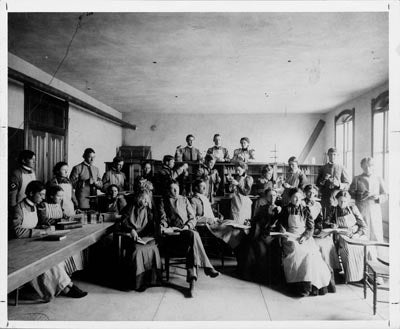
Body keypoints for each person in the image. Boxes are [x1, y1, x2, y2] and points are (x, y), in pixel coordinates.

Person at [10, 180, 87, 301]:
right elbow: (17, 231)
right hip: (16, 247)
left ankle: (67, 284)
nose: (43, 197)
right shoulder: (18, 208)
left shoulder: (35, 207)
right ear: (30, 193)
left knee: (53, 257)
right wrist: (41, 232)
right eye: (40, 194)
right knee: (46, 262)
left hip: (30, 243)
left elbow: (35, 225)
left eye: (44, 194)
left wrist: (43, 228)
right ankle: (66, 287)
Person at [159, 180, 219, 297]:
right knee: (194, 236)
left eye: (177, 188)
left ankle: (192, 282)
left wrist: (187, 226)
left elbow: (192, 218)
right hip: (175, 236)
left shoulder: (184, 199)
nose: (176, 191)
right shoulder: (163, 201)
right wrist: (166, 227)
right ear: (168, 190)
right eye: (172, 189)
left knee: (192, 239)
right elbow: (163, 219)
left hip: (187, 230)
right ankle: (206, 267)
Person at [277, 188, 333, 297]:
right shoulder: (285, 209)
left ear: (302, 197)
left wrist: (305, 236)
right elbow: (281, 223)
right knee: (297, 250)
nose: (296, 199)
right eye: (294, 197)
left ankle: (313, 286)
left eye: (299, 197)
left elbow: (310, 227)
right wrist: (282, 229)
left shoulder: (306, 210)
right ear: (290, 198)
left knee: (312, 254)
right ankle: (299, 285)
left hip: (304, 237)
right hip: (290, 236)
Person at [116, 191, 162, 291]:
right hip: (131, 236)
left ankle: (152, 280)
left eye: (147, 199)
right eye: (144, 199)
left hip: (144, 237)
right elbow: (123, 220)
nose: (146, 201)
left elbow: (151, 225)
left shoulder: (148, 210)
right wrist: (131, 230)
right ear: (139, 199)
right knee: (137, 251)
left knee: (154, 248)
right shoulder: (130, 207)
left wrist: (155, 231)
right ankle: (138, 283)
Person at [236, 188, 283, 284]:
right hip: (262, 233)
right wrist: (250, 222)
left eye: (274, 195)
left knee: (266, 247)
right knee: (249, 244)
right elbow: (256, 221)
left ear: (277, 197)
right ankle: (256, 275)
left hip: (274, 235)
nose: (272, 197)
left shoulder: (280, 208)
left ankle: (270, 277)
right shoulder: (262, 208)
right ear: (266, 197)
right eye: (270, 195)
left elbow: (282, 223)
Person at [38, 184, 85, 275]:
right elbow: (43, 220)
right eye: (58, 196)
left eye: (62, 196)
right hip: (49, 233)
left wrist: (72, 218)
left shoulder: (59, 205)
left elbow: (64, 216)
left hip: (61, 230)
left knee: (74, 246)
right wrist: (59, 221)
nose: (61, 198)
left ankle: (71, 271)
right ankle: (63, 274)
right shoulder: (43, 205)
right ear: (51, 196)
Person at [324, 191, 368, 283]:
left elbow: (363, 226)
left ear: (348, 201)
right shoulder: (334, 209)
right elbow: (326, 222)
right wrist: (332, 225)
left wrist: (356, 234)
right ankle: (351, 277)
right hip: (341, 235)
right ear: (337, 200)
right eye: (340, 201)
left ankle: (363, 276)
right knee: (347, 249)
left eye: (344, 201)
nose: (342, 203)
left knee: (362, 249)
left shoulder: (353, 208)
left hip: (354, 234)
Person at [349, 157, 387, 260]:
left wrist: (378, 197)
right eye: (365, 166)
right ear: (362, 167)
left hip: (374, 210)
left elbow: (385, 195)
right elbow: (351, 193)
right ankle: (362, 261)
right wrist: (360, 194)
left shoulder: (378, 178)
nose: (368, 168)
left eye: (370, 166)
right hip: (362, 209)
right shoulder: (357, 178)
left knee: (376, 234)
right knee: (363, 233)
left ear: (373, 166)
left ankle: (378, 261)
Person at [304, 184, 340, 275]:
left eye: (313, 192)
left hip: (315, 231)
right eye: (309, 192)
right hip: (304, 230)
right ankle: (318, 272)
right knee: (318, 246)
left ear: (316, 193)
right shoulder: (301, 203)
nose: (311, 194)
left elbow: (319, 221)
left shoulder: (317, 205)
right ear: (305, 192)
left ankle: (330, 270)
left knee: (327, 242)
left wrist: (319, 229)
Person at [316, 147, 350, 215]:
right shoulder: (323, 168)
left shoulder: (342, 167)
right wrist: (324, 179)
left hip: (337, 198)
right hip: (325, 197)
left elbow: (347, 184)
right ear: (328, 155)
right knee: (326, 216)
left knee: (336, 217)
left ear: (337, 155)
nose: (332, 156)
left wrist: (339, 184)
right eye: (330, 154)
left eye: (334, 154)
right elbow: (317, 184)